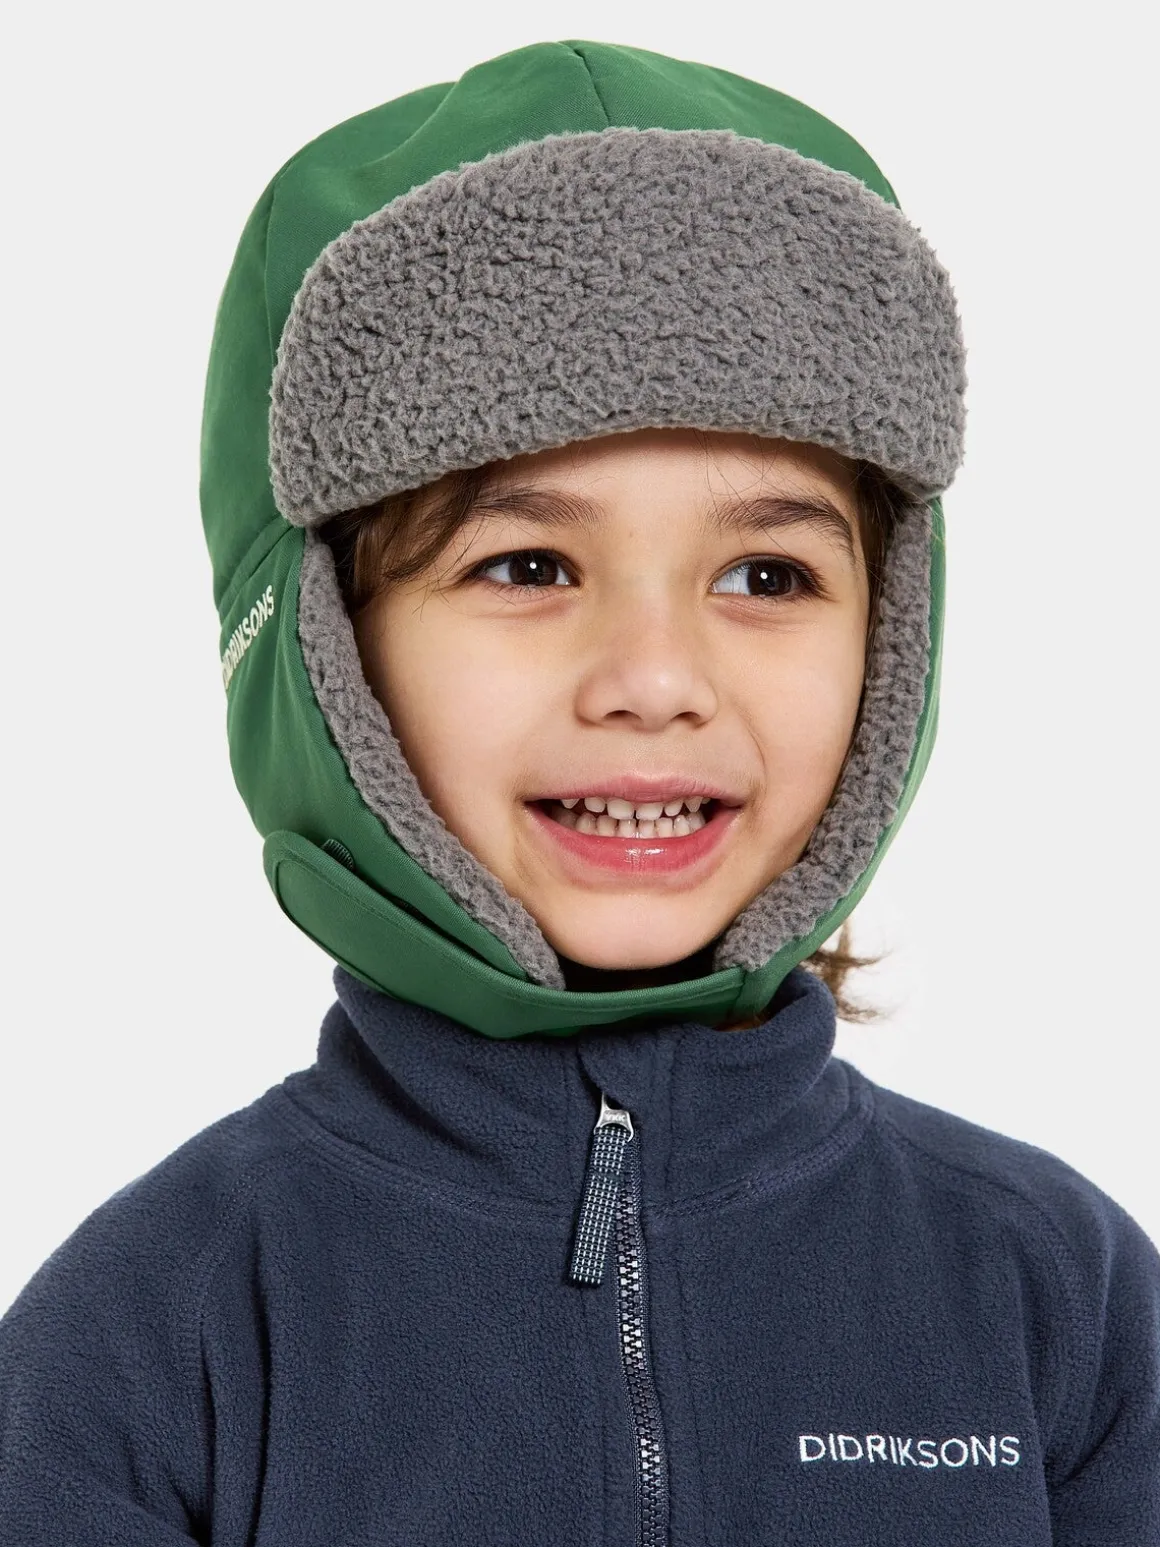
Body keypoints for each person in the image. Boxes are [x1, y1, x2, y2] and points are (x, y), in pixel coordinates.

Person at [1, 38, 1156, 1545]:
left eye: (768, 575)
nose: (655, 677)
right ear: (323, 650)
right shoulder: (156, 1335)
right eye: (528, 564)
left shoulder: (1058, 1299)